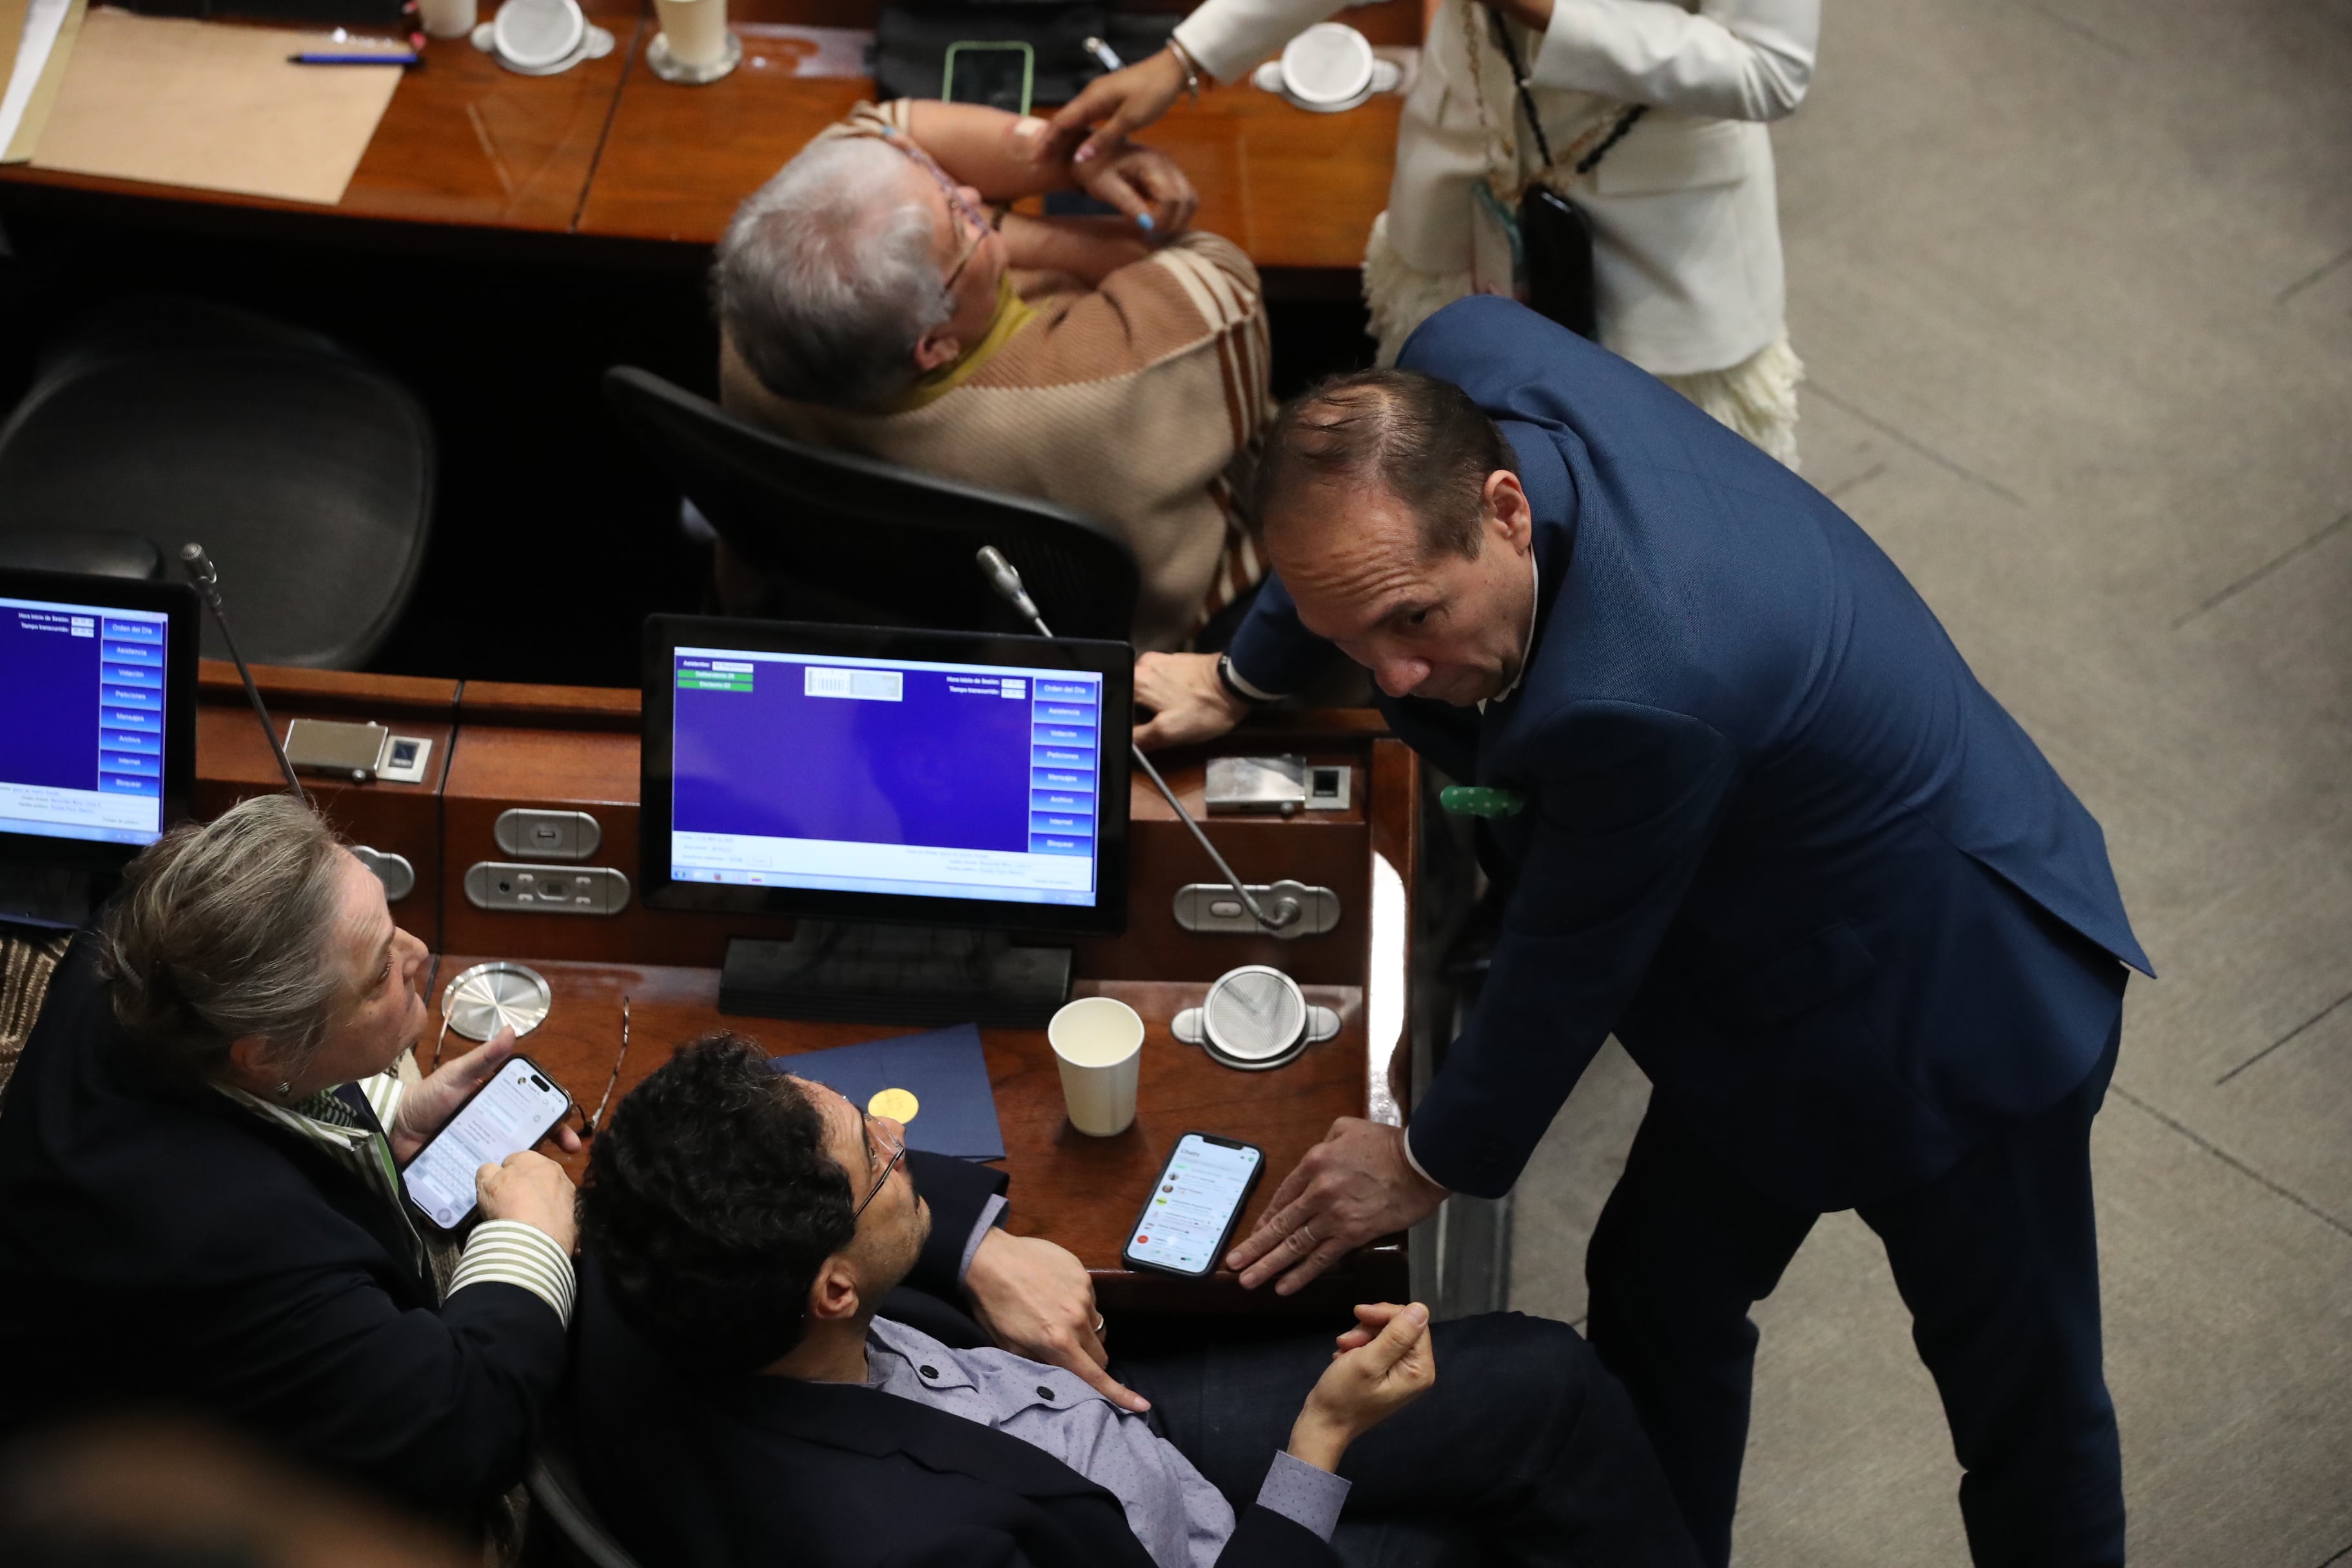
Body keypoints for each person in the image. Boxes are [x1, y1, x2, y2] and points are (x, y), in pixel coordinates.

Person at [1128, 297, 2151, 1567]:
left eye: (1419, 623)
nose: (1390, 677)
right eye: (1356, 638)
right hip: (1747, 979)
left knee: (2023, 1403)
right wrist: (1248, 673)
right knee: (1662, 1297)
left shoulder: (1640, 691)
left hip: (1947, 1003)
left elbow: (1569, 949)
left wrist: (1428, 1155)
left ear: (1504, 510)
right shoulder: (1459, 362)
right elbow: (1342, 561)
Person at [569, 1034, 1703, 1567]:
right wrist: (1322, 1441)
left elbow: (651, 1166)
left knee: (1543, 1382)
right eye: (875, 1154)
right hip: (1163, 1540)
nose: (898, 1128)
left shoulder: (645, 1240)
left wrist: (970, 1250)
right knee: (1466, 1533)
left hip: (1099, 1424)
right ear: (829, 1288)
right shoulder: (919, 1550)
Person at [0, 794, 579, 1522]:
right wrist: (528, 1240)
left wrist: (386, 1116)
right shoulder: (227, 1247)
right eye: (378, 975)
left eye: (388, 917)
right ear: (268, 1050)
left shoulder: (140, 933)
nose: (419, 954)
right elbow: (469, 1429)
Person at [1048, 0, 1817, 467]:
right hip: (1463, 181)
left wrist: (1550, 11)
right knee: (1452, 470)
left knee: (1666, 509)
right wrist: (1185, 60)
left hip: (1661, 239)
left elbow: (1771, 69)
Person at [714, 97, 1271, 651]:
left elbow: (878, 130)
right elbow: (1217, 267)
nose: (973, 195)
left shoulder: (761, 313)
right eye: (962, 221)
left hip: (886, 595)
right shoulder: (1122, 373)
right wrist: (1024, 228)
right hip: (1191, 629)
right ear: (934, 346)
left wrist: (1081, 165)